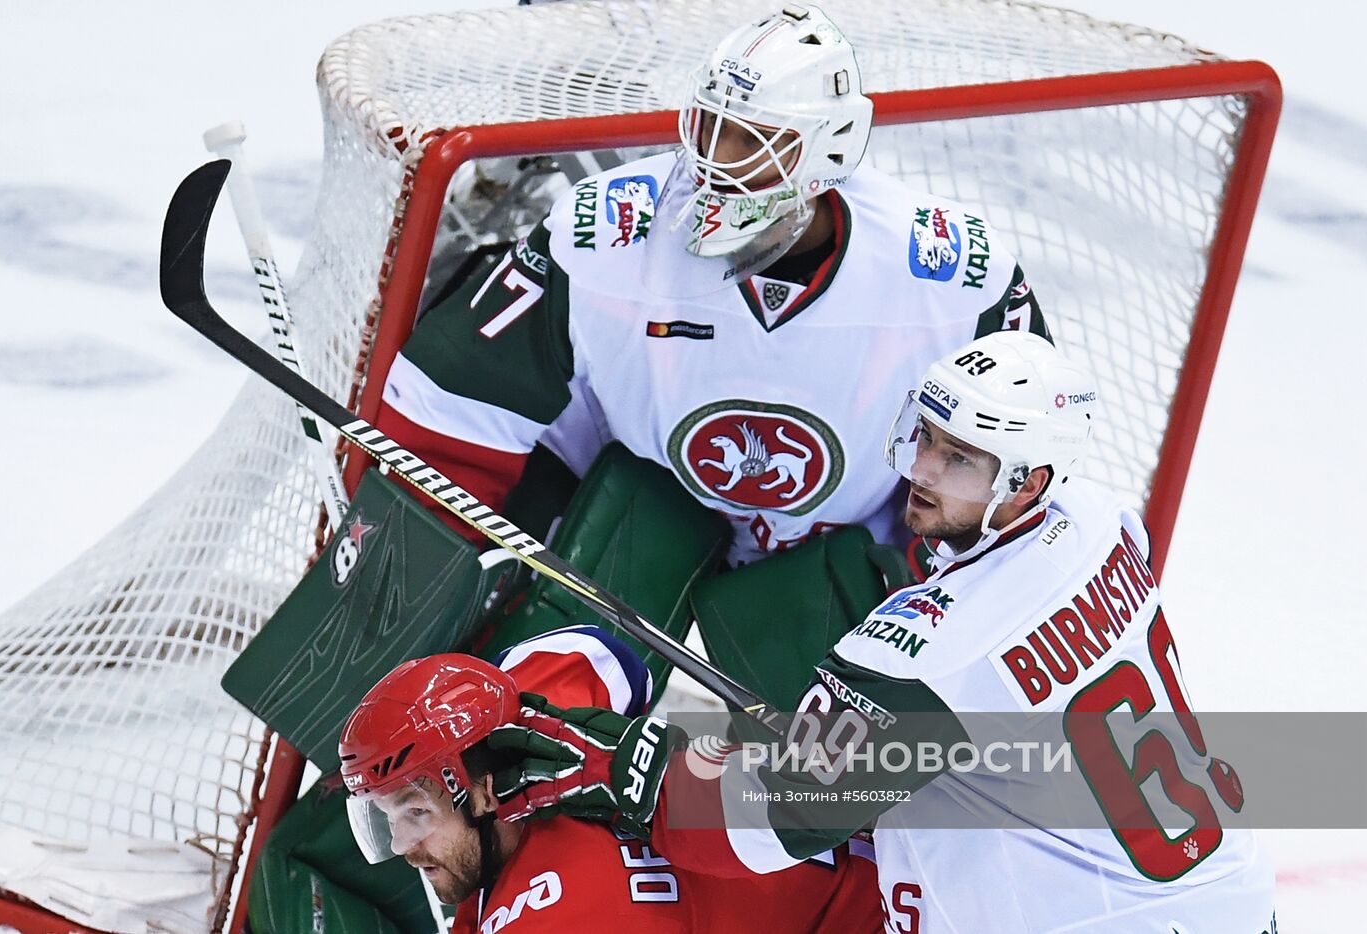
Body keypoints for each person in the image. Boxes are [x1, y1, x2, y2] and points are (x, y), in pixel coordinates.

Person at [489, 331, 1277, 932]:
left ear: (1028, 481)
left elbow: (762, 824)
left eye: (961, 460)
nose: (922, 471)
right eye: (926, 437)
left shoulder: (928, 649)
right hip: (1228, 896)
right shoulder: (1105, 523)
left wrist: (622, 765)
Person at [376, 3, 1047, 568]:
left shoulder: (954, 276)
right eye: (711, 127)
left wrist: (921, 602)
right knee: (528, 682)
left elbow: (1009, 487)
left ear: (832, 148)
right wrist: (420, 573)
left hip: (833, 562)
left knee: (862, 719)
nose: (717, 162)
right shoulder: (605, 232)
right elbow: (453, 413)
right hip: (622, 524)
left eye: (755, 139)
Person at [338, 624, 883, 932]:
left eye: (416, 811)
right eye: (387, 817)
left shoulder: (552, 917)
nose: (404, 847)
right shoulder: (541, 736)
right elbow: (609, 656)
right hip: (881, 827)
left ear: (480, 791)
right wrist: (519, 708)